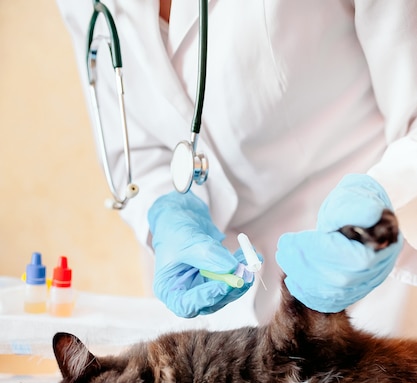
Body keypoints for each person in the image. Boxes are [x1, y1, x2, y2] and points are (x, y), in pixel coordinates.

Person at [56, 1, 417, 333]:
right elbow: (131, 146)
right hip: (210, 300)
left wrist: (385, 200)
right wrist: (168, 215)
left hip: (358, 262)